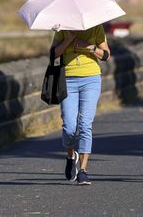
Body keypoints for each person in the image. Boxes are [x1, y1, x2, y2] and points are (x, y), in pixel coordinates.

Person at [51, 24, 111, 185]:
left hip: (91, 79)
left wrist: (89, 47)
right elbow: (53, 54)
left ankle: (83, 171)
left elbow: (106, 55)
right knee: (69, 126)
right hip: (67, 79)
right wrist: (69, 39)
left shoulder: (96, 27)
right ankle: (71, 155)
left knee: (85, 124)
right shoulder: (62, 28)